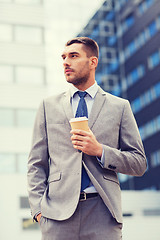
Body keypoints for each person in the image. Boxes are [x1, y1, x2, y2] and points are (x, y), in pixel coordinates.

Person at [27, 37, 147, 240]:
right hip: (57, 216)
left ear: (93, 62)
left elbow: (139, 163)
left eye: (74, 56)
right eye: (63, 57)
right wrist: (39, 210)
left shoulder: (120, 107)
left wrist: (100, 151)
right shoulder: (48, 106)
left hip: (103, 213)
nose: (66, 62)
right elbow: (36, 164)